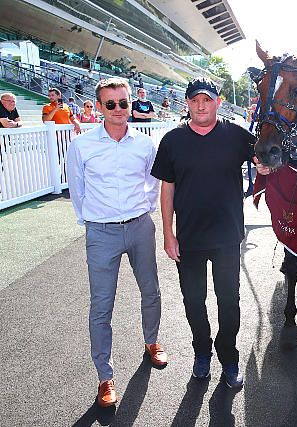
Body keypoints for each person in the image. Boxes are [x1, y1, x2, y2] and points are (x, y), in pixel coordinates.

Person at [66, 77, 167, 408]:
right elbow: (77, 189)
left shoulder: (145, 144)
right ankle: (105, 377)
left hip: (139, 227)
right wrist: (92, 220)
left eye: (123, 102)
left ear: (130, 104)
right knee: (101, 305)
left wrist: (144, 210)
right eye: (110, 104)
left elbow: (153, 182)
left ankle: (151, 342)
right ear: (99, 107)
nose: (118, 109)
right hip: (101, 232)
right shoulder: (82, 145)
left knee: (151, 290)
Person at [151, 77, 255, 388]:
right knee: (194, 300)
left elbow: (263, 157)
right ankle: (202, 352)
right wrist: (168, 233)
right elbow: (167, 189)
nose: (200, 106)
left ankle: (229, 356)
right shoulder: (172, 140)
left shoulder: (237, 135)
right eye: (195, 100)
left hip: (227, 236)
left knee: (229, 301)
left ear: (217, 102)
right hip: (189, 238)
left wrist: (264, 166)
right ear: (187, 103)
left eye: (207, 100)